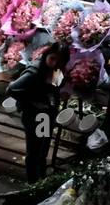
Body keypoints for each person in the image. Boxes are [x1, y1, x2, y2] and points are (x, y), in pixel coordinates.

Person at [8, 42, 70, 183]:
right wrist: (32, 102)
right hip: (34, 116)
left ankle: (41, 177)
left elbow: (54, 87)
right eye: (52, 58)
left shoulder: (56, 71)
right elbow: (11, 89)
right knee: (34, 150)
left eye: (59, 61)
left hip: (46, 115)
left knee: (43, 149)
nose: (54, 63)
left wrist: (59, 96)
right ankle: (33, 182)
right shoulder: (34, 72)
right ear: (47, 55)